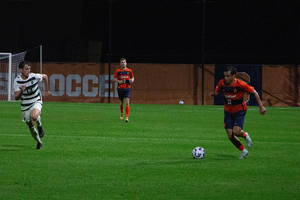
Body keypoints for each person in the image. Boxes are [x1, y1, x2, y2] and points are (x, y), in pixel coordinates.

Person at [211, 66, 266, 159]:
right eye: (225, 76)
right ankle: (243, 151)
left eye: (228, 76)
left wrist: (261, 107)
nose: (226, 78)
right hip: (228, 112)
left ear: (233, 76)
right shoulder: (222, 83)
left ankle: (245, 135)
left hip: (239, 110)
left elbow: (254, 92)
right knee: (230, 135)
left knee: (236, 132)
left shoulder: (240, 84)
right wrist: (213, 94)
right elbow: (217, 91)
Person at [14, 61, 50, 150]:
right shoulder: (17, 81)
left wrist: (47, 90)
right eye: (26, 69)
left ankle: (40, 125)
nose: (28, 71)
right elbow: (17, 98)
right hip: (25, 104)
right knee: (30, 125)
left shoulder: (33, 76)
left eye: (29, 69)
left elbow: (45, 76)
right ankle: (39, 142)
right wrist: (22, 91)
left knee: (34, 116)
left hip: (36, 100)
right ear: (20, 70)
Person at [112, 58, 134, 122]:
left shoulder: (129, 71)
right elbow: (113, 78)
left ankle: (127, 117)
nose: (123, 63)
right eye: (122, 62)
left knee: (127, 102)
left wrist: (131, 80)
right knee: (121, 103)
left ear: (126, 63)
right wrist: (119, 81)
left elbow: (132, 78)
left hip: (127, 88)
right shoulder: (118, 71)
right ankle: (122, 113)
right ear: (120, 64)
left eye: (124, 62)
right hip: (120, 88)